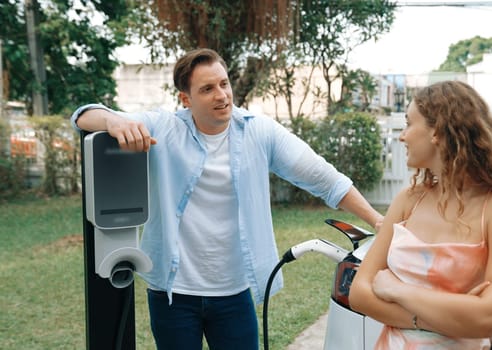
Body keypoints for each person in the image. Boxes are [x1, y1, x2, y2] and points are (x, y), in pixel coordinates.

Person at [71, 48, 383, 350]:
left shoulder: (258, 132)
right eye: (207, 89)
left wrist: (378, 221)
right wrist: (114, 121)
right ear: (186, 99)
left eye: (224, 84)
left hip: (234, 294)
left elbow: (324, 178)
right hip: (172, 294)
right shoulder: (165, 128)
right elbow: (83, 115)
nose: (221, 95)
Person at [349, 80, 492, 349]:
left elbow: (489, 316)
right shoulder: (409, 200)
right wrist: (457, 318)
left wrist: (396, 290)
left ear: (437, 131)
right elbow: (359, 293)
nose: (402, 136)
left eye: (408, 124)